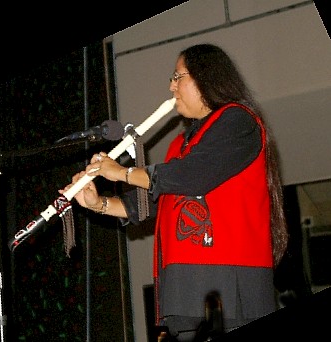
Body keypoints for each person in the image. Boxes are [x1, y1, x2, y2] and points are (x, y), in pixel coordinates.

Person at [59, 43, 289, 341]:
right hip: (185, 288)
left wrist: (121, 172)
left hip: (230, 285)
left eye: (178, 76)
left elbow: (192, 176)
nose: (171, 85)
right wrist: (98, 203)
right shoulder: (177, 145)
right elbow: (149, 204)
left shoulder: (238, 120)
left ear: (206, 77)